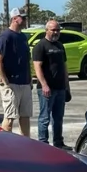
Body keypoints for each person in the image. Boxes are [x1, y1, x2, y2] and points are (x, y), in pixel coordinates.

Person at [0, 8, 32, 135]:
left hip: (24, 82)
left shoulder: (23, 37)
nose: (25, 20)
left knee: (25, 116)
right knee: (10, 117)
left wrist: (30, 79)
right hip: (12, 83)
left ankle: (27, 144)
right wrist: (4, 80)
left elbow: (26, 59)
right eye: (23, 17)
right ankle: (6, 146)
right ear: (15, 18)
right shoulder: (6, 37)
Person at [32, 19, 70, 148]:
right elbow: (37, 67)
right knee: (44, 118)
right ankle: (43, 144)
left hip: (60, 88)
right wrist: (44, 85)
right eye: (53, 30)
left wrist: (67, 87)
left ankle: (58, 143)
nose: (56, 32)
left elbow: (64, 67)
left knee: (58, 118)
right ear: (46, 30)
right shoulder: (40, 46)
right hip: (46, 89)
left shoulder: (60, 45)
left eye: (58, 30)